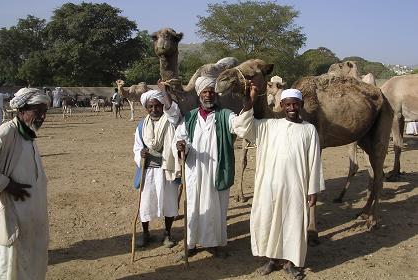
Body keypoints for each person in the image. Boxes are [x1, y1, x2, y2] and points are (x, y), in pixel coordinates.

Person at [232, 85, 325, 278]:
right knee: (270, 222)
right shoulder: (269, 126)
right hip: (269, 187)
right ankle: (272, 260)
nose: (292, 108)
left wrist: (313, 189)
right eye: (288, 104)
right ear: (281, 105)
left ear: (301, 105)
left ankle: (291, 262)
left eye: (296, 104)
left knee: (293, 223)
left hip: (295, 187)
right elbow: (242, 127)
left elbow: (314, 161)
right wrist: (248, 102)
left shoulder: (309, 130)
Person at [174, 76, 237, 259]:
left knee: (216, 207)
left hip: (217, 170)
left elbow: (239, 126)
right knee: (193, 206)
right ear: (199, 94)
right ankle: (191, 244)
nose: (208, 95)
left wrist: (249, 102)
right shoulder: (190, 117)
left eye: (211, 91)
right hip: (195, 170)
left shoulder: (226, 115)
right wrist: (181, 147)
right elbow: (181, 138)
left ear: (215, 94)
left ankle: (214, 243)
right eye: (204, 91)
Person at [0, 87, 50, 279]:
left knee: (33, 264)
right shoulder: (6, 133)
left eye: (45, 112)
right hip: (13, 216)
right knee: (12, 267)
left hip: (33, 217)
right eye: (38, 111)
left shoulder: (28, 134)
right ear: (22, 110)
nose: (42, 116)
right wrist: (7, 185)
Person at [133, 82, 181, 248]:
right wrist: (141, 154)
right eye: (150, 106)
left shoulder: (171, 121)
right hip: (148, 171)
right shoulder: (141, 126)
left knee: (169, 203)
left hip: (167, 169)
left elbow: (174, 111)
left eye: (158, 106)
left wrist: (164, 92)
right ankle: (146, 233)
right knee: (146, 203)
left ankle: (167, 234)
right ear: (146, 107)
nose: (154, 110)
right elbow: (137, 147)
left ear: (162, 106)